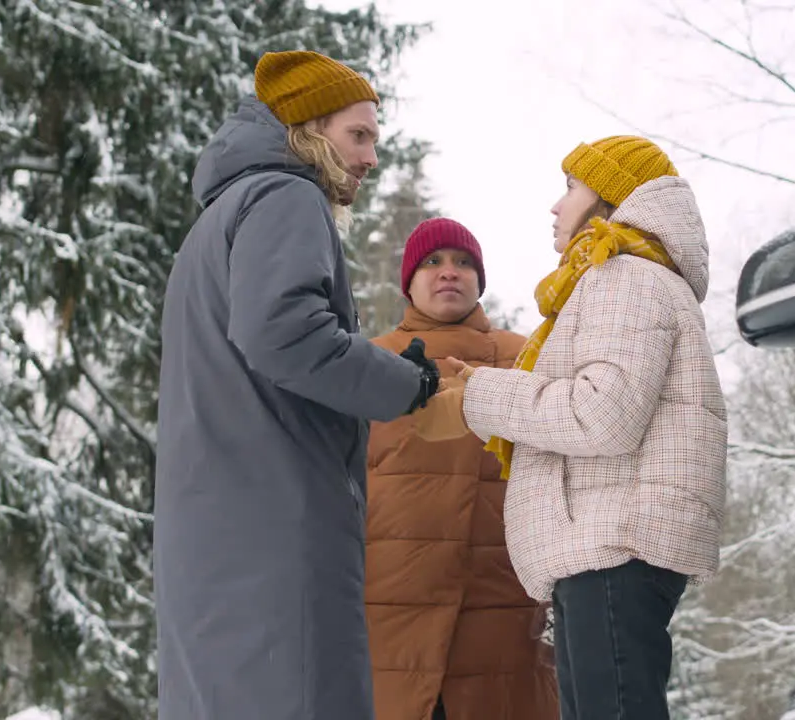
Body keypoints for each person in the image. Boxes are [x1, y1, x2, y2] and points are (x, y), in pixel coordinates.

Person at [154, 50, 442, 720]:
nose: (371, 157)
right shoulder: (287, 195)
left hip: (218, 530)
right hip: (275, 525)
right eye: (359, 135)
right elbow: (284, 334)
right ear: (309, 130)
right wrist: (409, 385)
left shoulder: (217, 221)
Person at [414, 136, 728, 720]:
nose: (556, 208)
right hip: (611, 544)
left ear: (608, 197)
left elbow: (599, 415)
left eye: (569, 188)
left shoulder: (623, 275)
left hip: (613, 543)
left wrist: (479, 394)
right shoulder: (631, 276)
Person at [363, 217, 559, 720]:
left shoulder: (528, 358)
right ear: (408, 280)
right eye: (432, 262)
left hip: (504, 611)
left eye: (463, 262)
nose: (449, 272)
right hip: (391, 608)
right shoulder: (368, 365)